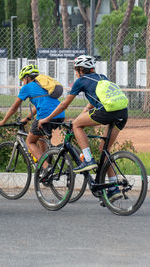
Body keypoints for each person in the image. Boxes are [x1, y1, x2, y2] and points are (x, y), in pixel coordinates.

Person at [38, 55, 128, 202]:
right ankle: (113, 187)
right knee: (103, 150)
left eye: (76, 70)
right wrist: (80, 117)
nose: (76, 73)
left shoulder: (80, 81)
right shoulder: (102, 77)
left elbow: (64, 104)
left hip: (106, 111)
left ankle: (88, 159)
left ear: (80, 70)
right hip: (122, 112)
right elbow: (93, 102)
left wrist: (47, 119)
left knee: (76, 125)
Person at [0, 64, 65, 168]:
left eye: (23, 79)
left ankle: (46, 168)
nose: (23, 82)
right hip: (60, 114)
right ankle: (46, 162)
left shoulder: (27, 87)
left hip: (45, 115)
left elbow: (14, 107)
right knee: (40, 137)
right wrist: (27, 119)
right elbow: (40, 103)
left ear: (27, 78)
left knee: (30, 141)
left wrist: (3, 121)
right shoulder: (43, 86)